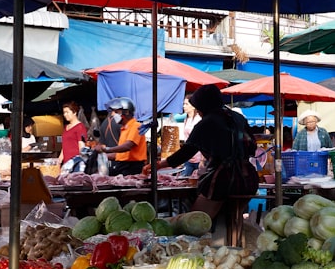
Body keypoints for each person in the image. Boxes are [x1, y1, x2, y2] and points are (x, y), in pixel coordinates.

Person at [151, 84, 255, 236]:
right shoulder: (237, 118)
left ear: (204, 106)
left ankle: (192, 254)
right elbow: (252, 146)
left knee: (195, 223)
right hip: (248, 178)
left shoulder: (207, 122)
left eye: (198, 108)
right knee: (232, 223)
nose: (198, 112)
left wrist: (159, 165)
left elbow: (186, 152)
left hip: (224, 179)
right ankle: (233, 249)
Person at [95, 97, 148, 175]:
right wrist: (102, 156)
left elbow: (127, 146)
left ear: (126, 112)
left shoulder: (136, 126)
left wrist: (106, 149)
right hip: (122, 165)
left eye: (116, 112)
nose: (113, 115)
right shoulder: (124, 129)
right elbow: (121, 155)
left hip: (133, 167)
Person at [59, 100, 88, 172]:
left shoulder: (80, 127)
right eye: (64, 112)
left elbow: (82, 146)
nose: (65, 114)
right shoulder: (66, 127)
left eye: (67, 112)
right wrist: (60, 159)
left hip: (76, 163)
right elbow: (65, 145)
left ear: (74, 112)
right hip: (66, 163)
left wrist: (81, 162)